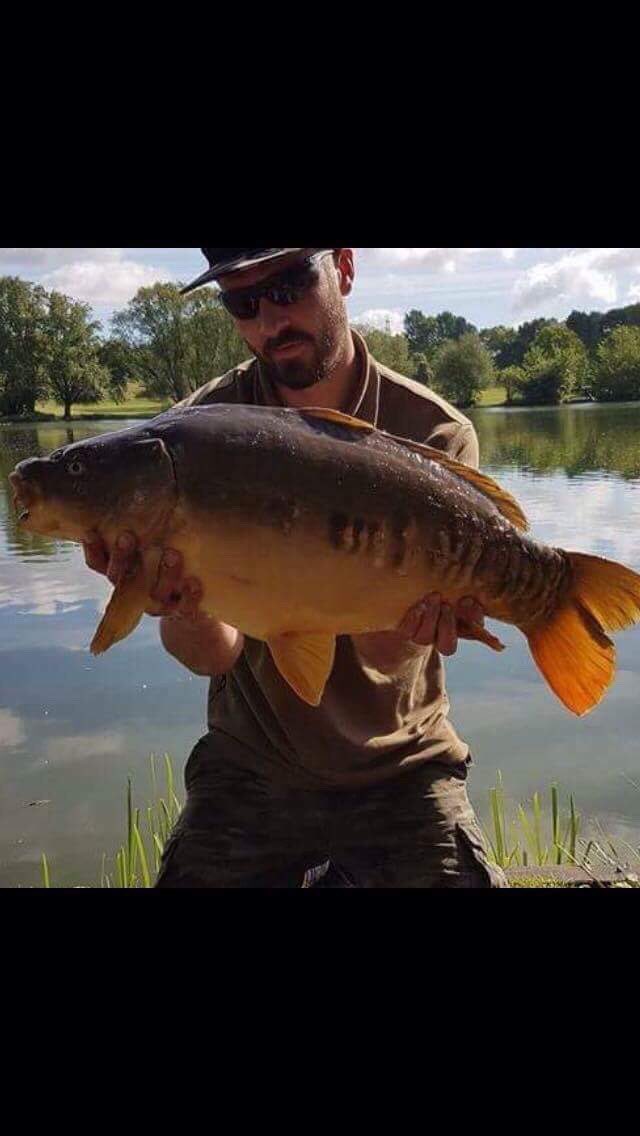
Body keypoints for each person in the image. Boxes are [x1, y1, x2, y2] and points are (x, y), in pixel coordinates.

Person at [84, 247, 508, 888]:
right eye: (242, 302)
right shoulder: (193, 436)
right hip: (251, 765)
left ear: (343, 266)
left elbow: (390, 661)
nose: (269, 322)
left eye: (287, 286)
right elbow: (213, 656)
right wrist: (176, 601)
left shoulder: (430, 432)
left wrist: (415, 621)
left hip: (400, 763)